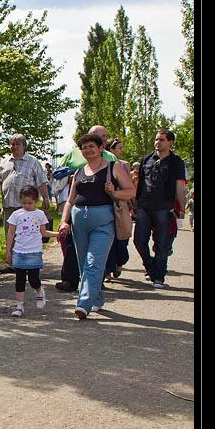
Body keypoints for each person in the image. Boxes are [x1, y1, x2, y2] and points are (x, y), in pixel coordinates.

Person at [58, 133, 135, 319]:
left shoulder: (113, 167)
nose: (88, 150)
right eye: (84, 147)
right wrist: (63, 221)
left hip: (103, 221)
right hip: (79, 221)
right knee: (84, 263)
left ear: (101, 148)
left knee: (94, 262)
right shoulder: (79, 172)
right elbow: (70, 200)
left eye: (92, 146)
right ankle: (98, 298)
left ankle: (83, 304)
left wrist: (114, 191)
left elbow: (130, 191)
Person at [54, 125, 117, 292]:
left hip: (102, 210)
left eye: (104, 136)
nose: (101, 138)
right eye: (97, 135)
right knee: (71, 244)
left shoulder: (111, 157)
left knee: (97, 249)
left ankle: (95, 282)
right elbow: (58, 172)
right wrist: (69, 176)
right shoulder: (74, 153)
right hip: (76, 203)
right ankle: (70, 279)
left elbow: (119, 181)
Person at [133, 128, 187, 289]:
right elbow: (140, 183)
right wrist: (136, 202)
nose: (158, 142)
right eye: (156, 139)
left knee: (162, 244)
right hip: (144, 206)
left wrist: (182, 208)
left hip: (164, 207)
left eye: (162, 139)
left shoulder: (176, 161)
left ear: (170, 142)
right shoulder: (146, 159)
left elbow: (180, 185)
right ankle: (150, 267)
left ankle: (159, 276)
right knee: (139, 241)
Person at [0, 134, 51, 273]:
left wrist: (46, 198)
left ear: (24, 146)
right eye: (12, 144)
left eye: (17, 144)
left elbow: (42, 181)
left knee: (27, 235)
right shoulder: (3, 162)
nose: (14, 147)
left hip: (26, 206)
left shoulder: (33, 161)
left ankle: (28, 263)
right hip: (9, 205)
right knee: (10, 234)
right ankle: (12, 263)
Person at [5, 185, 58, 317]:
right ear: (20, 201)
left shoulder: (40, 214)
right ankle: (19, 306)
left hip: (34, 252)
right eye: (24, 203)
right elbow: (10, 233)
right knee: (20, 279)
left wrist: (58, 234)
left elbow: (44, 232)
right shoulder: (16, 214)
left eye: (30, 203)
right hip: (19, 251)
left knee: (33, 278)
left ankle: (39, 291)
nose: (27, 205)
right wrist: (8, 251)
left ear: (36, 201)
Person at [103, 138, 133, 279]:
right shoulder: (102, 165)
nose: (122, 151)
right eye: (119, 148)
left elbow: (129, 186)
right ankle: (107, 269)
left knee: (122, 238)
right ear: (111, 150)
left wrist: (133, 205)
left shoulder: (124, 165)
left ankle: (119, 263)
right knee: (108, 239)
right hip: (105, 204)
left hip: (121, 204)